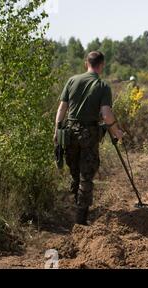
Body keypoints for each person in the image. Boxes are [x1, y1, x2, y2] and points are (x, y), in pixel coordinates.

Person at [54, 51, 124, 225]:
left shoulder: (72, 80)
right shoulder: (102, 86)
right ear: (101, 65)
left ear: (87, 63)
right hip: (88, 134)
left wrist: (57, 130)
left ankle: (76, 208)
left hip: (69, 132)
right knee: (86, 175)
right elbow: (106, 115)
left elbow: (62, 109)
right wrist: (117, 132)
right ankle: (81, 219)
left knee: (75, 173)